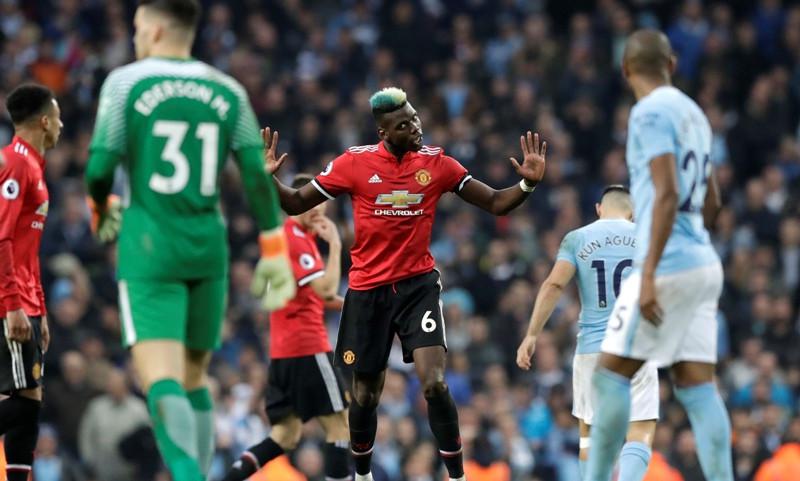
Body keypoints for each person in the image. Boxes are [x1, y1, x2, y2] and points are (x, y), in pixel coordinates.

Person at [262, 86, 547, 481]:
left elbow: (497, 202)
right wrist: (267, 181)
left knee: (434, 384)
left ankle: (457, 476)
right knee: (365, 395)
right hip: (367, 292)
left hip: (417, 288)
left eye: (414, 118)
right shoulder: (353, 164)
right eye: (404, 124)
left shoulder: (438, 164)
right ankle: (362, 474)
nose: (416, 127)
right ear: (384, 133)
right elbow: (294, 203)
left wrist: (527, 185)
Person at [83, 1, 295, 479]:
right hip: (208, 248)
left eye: (138, 28)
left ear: (155, 30)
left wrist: (101, 207)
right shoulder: (227, 91)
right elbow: (257, 179)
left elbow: (98, 169)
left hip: (150, 247)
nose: (136, 37)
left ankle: (188, 476)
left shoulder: (127, 82)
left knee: (159, 378)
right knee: (195, 376)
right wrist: (273, 245)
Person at [586, 30, 731, 481]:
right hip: (704, 262)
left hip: (666, 265)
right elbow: (713, 201)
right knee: (697, 388)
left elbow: (666, 192)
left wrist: (647, 275)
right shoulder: (695, 114)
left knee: (608, 376)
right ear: (671, 62)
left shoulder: (647, 113)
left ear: (626, 69)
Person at [516, 185, 658, 481]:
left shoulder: (578, 238)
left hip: (593, 348)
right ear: (632, 212)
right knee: (640, 429)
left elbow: (554, 285)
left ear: (598, 209)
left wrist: (532, 334)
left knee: (590, 435)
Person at [223, 173, 350, 481]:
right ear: (295, 205)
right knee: (339, 426)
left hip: (282, 354)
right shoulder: (296, 239)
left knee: (285, 435)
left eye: (321, 206)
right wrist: (335, 245)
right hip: (308, 347)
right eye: (311, 205)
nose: (318, 212)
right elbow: (325, 289)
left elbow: (316, 297)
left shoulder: (288, 238)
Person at [0, 83, 62, 481]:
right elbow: (1, 236)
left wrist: (40, 309)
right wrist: (13, 306)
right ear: (44, 121)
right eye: (57, 116)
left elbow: (27, 248)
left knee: (27, 400)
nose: (61, 125)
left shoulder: (34, 168)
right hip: (11, 301)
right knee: (26, 402)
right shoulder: (15, 164)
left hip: (27, 300)